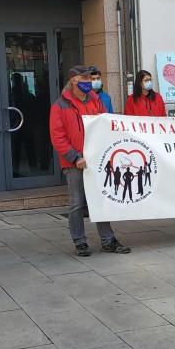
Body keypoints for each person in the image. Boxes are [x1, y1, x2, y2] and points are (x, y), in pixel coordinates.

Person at [49, 65, 130, 256]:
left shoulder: (96, 101)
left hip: (97, 160)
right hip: (74, 163)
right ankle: (80, 242)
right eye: (85, 79)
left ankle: (108, 240)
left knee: (101, 199)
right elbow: (57, 138)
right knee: (77, 203)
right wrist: (75, 157)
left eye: (91, 79)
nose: (90, 82)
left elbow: (105, 123)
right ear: (74, 81)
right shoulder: (60, 106)